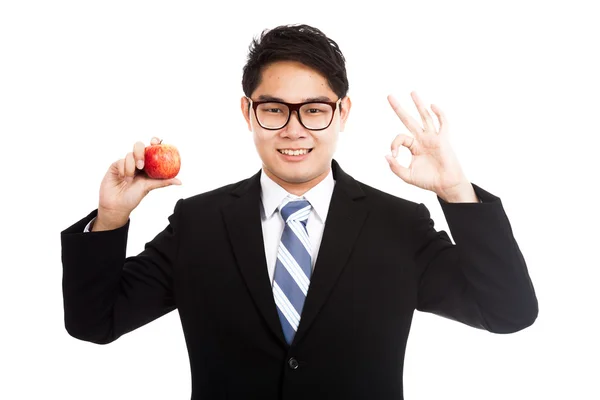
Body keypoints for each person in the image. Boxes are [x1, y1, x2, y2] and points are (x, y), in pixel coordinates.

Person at [60, 24, 538, 400]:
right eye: (273, 110)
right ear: (248, 113)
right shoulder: (199, 224)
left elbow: (508, 312)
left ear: (342, 113)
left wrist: (455, 190)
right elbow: (94, 323)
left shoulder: (398, 225)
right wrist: (111, 217)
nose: (294, 130)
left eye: (314, 110)